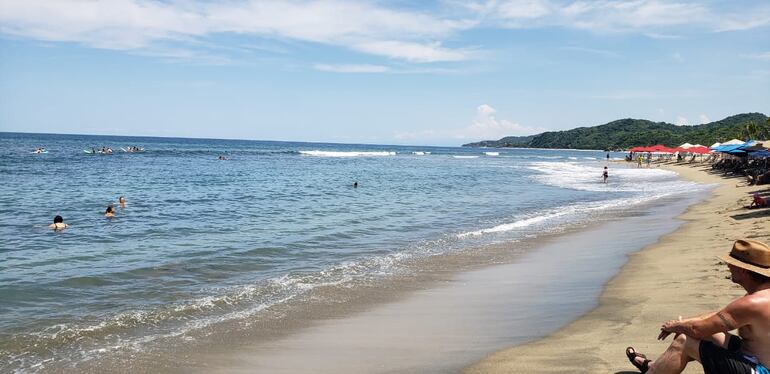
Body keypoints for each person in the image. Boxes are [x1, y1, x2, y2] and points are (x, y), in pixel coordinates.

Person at [625, 239, 770, 374]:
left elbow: (696, 330)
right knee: (710, 333)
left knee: (685, 341)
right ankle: (656, 367)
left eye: (731, 263)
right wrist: (683, 323)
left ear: (743, 269)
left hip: (759, 370)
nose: (728, 266)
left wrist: (677, 326)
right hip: (753, 356)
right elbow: (720, 315)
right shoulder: (761, 295)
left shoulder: (752, 303)